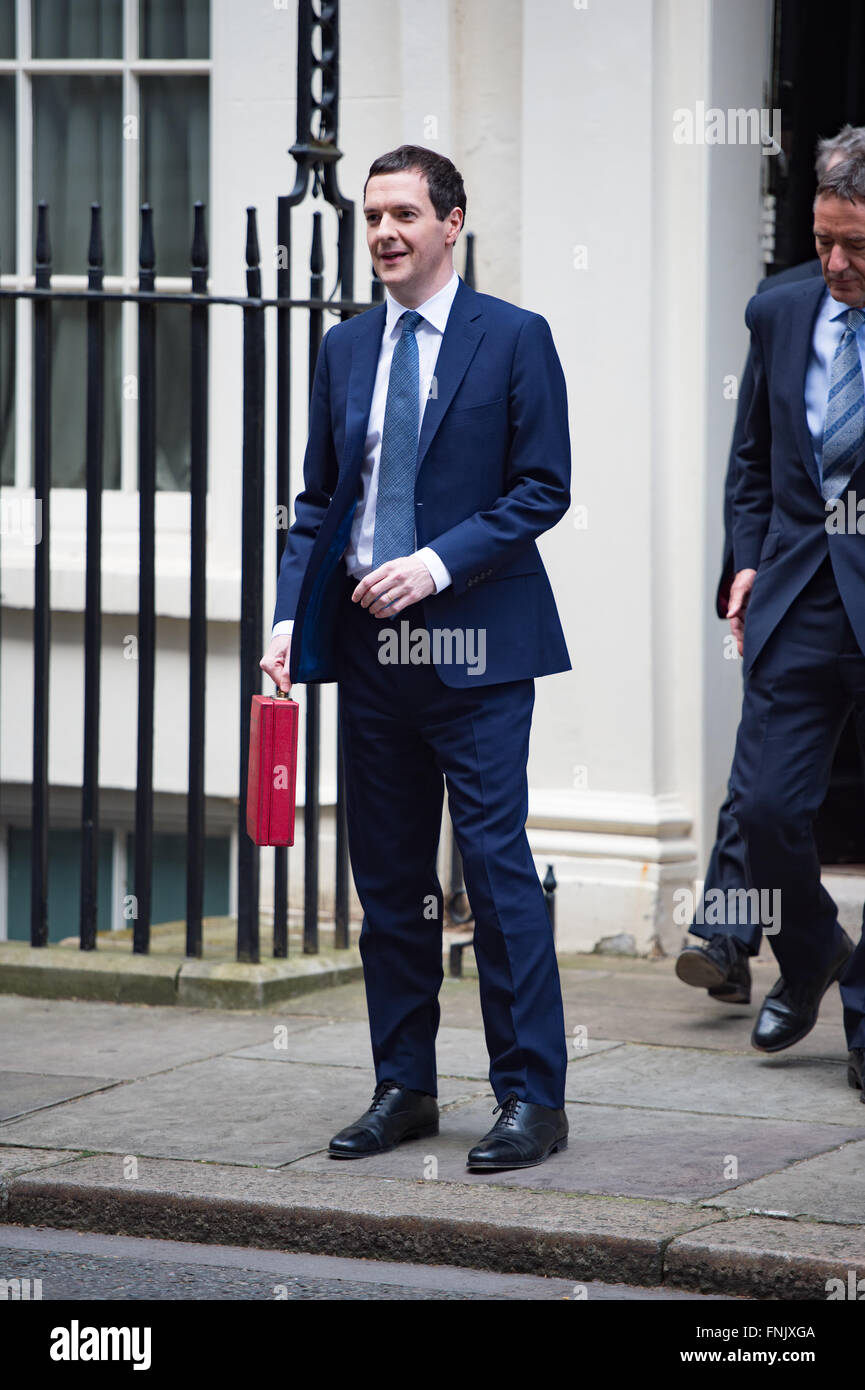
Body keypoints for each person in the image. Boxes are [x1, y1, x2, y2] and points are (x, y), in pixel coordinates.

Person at [260, 145, 573, 1168]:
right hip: (370, 655)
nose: (385, 232)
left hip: (479, 651)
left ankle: (530, 1096)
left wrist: (434, 566)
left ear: (452, 221)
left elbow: (541, 488)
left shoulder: (515, 338)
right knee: (391, 885)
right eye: (372, 216)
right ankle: (404, 1086)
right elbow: (318, 503)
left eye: (403, 213)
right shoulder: (345, 349)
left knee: (494, 873)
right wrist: (285, 618)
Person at [677, 124, 865, 1010]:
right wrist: (745, 562)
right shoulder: (779, 309)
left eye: (854, 245)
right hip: (799, 593)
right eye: (822, 240)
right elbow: (751, 457)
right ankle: (815, 949)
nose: (833, 263)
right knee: (764, 809)